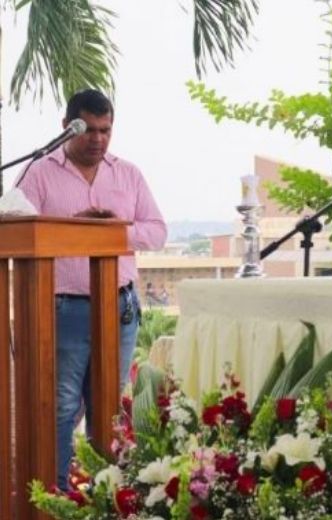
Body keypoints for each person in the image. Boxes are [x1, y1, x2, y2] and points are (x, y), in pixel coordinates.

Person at [16, 89, 167, 489]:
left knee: (108, 406)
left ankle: (105, 495)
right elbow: (15, 224)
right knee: (63, 406)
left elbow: (156, 231)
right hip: (64, 309)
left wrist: (113, 230)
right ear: (67, 127)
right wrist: (73, 230)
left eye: (106, 130)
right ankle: (58, 496)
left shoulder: (128, 173)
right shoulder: (39, 172)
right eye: (89, 130)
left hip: (119, 308)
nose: (98, 139)